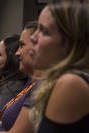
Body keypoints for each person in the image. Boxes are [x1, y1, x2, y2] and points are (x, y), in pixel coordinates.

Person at [28, 0, 89, 132]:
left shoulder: (71, 83)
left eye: (44, 31)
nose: (33, 37)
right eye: (37, 28)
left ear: (71, 44)